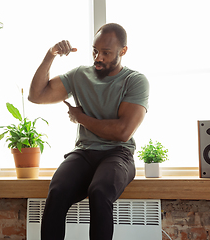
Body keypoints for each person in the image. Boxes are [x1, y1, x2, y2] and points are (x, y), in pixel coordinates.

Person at [28, 23, 149, 240]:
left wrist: (80, 117)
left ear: (123, 51)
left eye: (106, 53)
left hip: (117, 153)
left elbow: (122, 132)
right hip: (84, 152)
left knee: (99, 192)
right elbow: (36, 96)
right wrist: (50, 54)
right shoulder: (79, 76)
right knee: (56, 192)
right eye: (95, 50)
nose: (98, 57)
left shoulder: (134, 81)